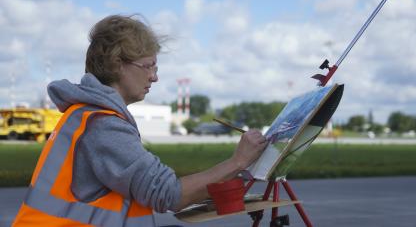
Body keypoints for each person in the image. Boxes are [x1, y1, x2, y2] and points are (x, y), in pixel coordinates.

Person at [13, 14, 268, 226]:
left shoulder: (85, 113)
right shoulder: (103, 125)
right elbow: (168, 194)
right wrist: (239, 161)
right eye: (149, 66)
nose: (154, 77)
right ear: (118, 64)